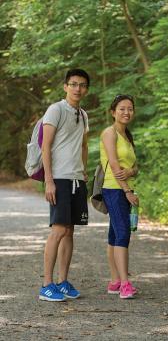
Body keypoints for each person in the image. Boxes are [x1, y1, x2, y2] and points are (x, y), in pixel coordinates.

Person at [39, 69, 90, 301]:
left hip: (76, 179)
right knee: (58, 229)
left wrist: (84, 171)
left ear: (86, 89)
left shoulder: (84, 114)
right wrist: (48, 180)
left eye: (82, 85)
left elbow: (83, 145)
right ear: (65, 86)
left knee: (70, 231)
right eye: (73, 84)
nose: (77, 88)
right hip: (59, 178)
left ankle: (62, 282)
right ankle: (46, 285)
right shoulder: (56, 109)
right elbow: (45, 146)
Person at [100, 94, 139, 299]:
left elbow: (135, 167)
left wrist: (131, 173)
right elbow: (114, 165)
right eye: (122, 108)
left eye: (130, 108)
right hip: (114, 189)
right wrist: (127, 191)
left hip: (123, 188)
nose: (126, 112)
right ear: (113, 112)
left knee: (114, 235)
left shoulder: (127, 135)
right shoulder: (110, 132)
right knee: (123, 233)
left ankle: (115, 281)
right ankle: (125, 284)